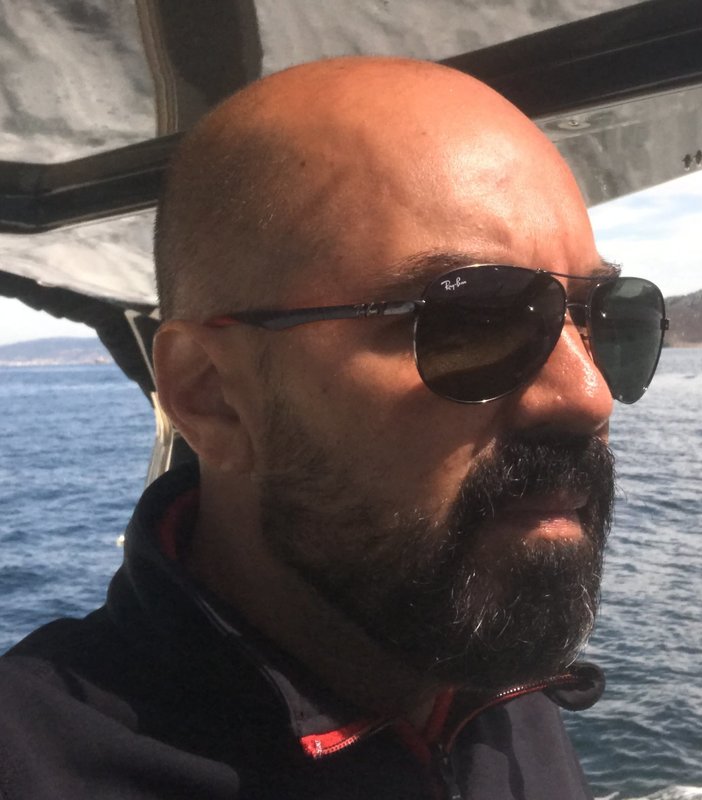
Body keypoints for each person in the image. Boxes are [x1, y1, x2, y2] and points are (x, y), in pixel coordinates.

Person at [0, 57, 667, 799]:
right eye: (471, 321)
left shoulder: (485, 671)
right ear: (211, 395)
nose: (588, 395)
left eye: (604, 319)